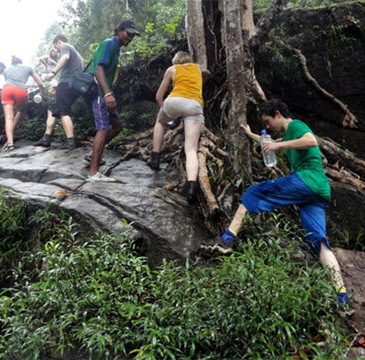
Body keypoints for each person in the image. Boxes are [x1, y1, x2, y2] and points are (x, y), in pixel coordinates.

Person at [216, 98, 348, 305]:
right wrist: (250, 133)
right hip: (319, 191)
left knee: (252, 193)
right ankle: (341, 295)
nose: (268, 127)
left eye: (268, 122)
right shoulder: (288, 135)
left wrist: (280, 146)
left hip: (308, 181)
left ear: (278, 114)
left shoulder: (295, 126)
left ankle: (226, 239)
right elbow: (269, 143)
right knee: (318, 241)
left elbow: (312, 141)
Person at [147, 51, 211, 203]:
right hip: (194, 106)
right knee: (191, 149)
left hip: (174, 102)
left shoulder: (172, 69)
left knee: (160, 122)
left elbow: (158, 96)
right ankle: (191, 188)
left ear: (176, 61)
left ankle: (155, 157)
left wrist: (165, 109)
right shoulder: (198, 68)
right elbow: (207, 73)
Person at [84, 20, 140, 182]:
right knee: (103, 129)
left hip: (104, 92)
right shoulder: (109, 44)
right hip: (99, 92)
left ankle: (91, 157)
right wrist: (107, 93)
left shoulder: (115, 48)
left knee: (117, 126)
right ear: (119, 31)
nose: (130, 37)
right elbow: (99, 68)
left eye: (133, 35)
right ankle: (93, 173)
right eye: (128, 33)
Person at [34, 35, 83, 150]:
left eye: (56, 47)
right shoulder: (76, 54)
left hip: (66, 84)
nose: (57, 50)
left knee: (63, 112)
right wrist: (57, 85)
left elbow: (65, 57)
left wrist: (52, 73)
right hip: (73, 85)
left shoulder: (66, 46)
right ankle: (46, 138)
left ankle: (71, 142)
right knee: (52, 108)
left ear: (58, 42)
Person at [1, 56, 44, 151]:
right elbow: (39, 83)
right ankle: (12, 133)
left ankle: (10, 143)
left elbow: (6, 80)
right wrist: (41, 92)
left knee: (8, 118)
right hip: (21, 91)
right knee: (22, 110)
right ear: (21, 62)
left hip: (6, 90)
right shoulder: (28, 68)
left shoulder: (6, 69)